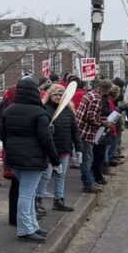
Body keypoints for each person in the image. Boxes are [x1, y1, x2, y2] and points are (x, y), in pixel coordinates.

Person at [1, 79, 59, 243]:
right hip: (33, 160)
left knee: (28, 193)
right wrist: (55, 160)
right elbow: (46, 139)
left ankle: (32, 226)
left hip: (15, 158)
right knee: (27, 194)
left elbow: (3, 136)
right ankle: (25, 229)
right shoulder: (39, 113)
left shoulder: (9, 110)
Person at [39, 83, 79, 212]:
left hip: (65, 148)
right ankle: (38, 199)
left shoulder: (68, 110)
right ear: (50, 95)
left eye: (60, 95)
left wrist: (79, 148)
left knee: (60, 175)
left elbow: (75, 131)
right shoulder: (44, 109)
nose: (57, 97)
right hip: (50, 150)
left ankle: (59, 199)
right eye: (55, 94)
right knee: (46, 175)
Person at [76, 79, 113, 193]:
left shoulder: (90, 94)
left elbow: (90, 114)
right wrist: (104, 123)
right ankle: (88, 183)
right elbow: (91, 118)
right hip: (86, 132)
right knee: (87, 159)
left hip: (80, 129)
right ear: (107, 89)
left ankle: (89, 181)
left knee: (86, 158)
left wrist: (99, 118)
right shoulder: (97, 99)